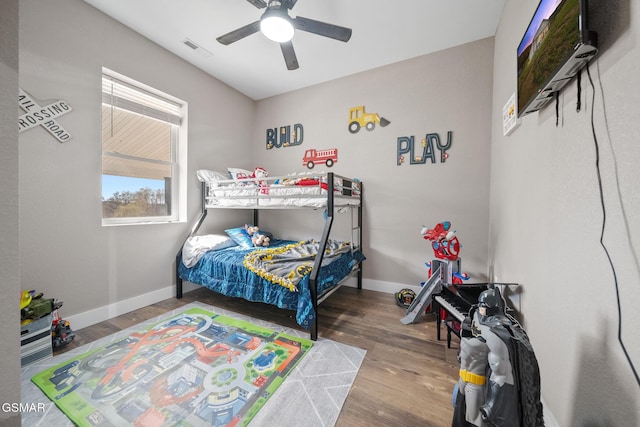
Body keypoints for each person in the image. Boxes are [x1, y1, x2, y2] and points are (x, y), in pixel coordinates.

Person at [452, 287, 544, 427]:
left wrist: (493, 405)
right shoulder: (476, 316)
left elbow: (501, 373)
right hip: (463, 378)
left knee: (475, 421)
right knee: (460, 416)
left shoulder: (496, 333)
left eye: (483, 307)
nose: (480, 310)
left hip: (476, 382)